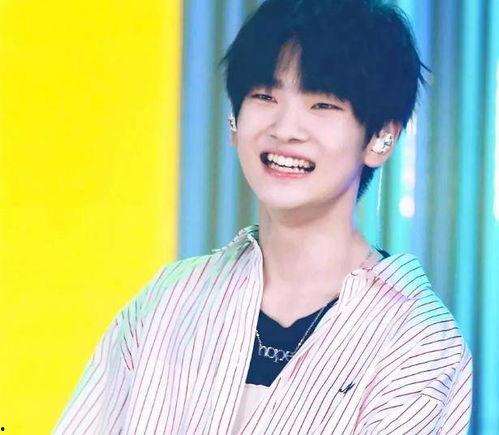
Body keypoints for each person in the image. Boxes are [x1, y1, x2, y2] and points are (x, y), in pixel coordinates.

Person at [54, 0, 472, 433]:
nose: (285, 129)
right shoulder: (170, 298)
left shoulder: (417, 340)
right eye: (265, 96)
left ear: (381, 138)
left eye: (322, 104)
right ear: (234, 121)